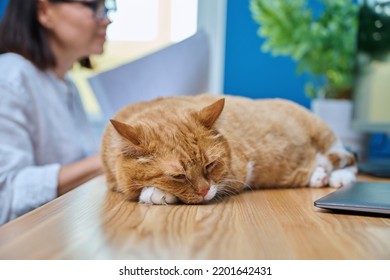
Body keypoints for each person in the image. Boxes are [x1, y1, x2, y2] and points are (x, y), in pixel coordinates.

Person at [0, 0, 113, 224]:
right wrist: (106, 159)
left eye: (106, 9)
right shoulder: (10, 76)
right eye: (92, 6)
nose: (107, 19)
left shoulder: (66, 85)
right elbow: (6, 195)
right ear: (44, 11)